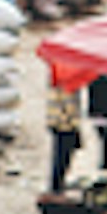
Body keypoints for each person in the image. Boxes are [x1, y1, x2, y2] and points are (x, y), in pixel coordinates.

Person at [44, 66, 88, 197]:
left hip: (56, 120)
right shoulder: (68, 79)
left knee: (60, 153)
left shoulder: (57, 76)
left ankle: (57, 184)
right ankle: (57, 185)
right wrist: (74, 123)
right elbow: (69, 104)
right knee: (63, 155)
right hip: (65, 123)